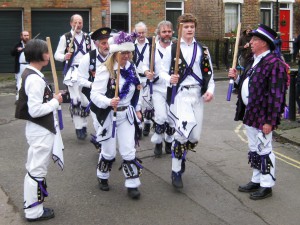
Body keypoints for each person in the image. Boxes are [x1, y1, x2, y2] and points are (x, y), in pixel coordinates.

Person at [228, 24, 288, 200]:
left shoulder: (275, 64)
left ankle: (267, 184)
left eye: (254, 39)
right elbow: (248, 86)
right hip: (250, 112)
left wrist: (270, 120)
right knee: (254, 148)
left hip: (263, 115)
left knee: (264, 149)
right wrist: (237, 78)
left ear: (264, 42)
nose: (251, 42)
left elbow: (277, 95)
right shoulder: (255, 60)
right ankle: (256, 179)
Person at [160, 13, 215, 188]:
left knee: (194, 136)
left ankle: (181, 155)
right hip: (181, 95)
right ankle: (176, 171)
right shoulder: (172, 48)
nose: (189, 29)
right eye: (186, 27)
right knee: (182, 133)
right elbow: (161, 71)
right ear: (180, 28)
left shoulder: (203, 49)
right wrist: (170, 79)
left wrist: (210, 91)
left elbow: (210, 75)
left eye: (192, 26)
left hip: (197, 95)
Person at [15, 39, 64, 221]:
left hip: (39, 129)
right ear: (39, 55)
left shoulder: (31, 74)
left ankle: (34, 208)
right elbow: (34, 110)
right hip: (40, 129)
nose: (49, 55)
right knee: (37, 170)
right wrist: (55, 102)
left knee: (35, 168)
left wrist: (53, 98)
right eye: (46, 52)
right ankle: (34, 212)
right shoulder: (34, 78)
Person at [90, 31, 143, 199]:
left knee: (129, 150)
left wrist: (138, 108)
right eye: (123, 52)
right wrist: (108, 101)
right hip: (109, 116)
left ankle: (132, 183)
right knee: (109, 152)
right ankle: (102, 176)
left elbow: (138, 89)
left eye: (129, 52)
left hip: (126, 114)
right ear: (115, 52)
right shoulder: (105, 69)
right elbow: (94, 95)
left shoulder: (132, 67)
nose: (126, 56)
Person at [54, 14, 95, 140]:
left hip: (86, 72)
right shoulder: (65, 37)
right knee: (75, 99)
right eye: (76, 22)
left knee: (85, 99)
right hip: (72, 71)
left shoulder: (88, 37)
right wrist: (64, 56)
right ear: (71, 23)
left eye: (80, 22)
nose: (78, 24)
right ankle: (79, 128)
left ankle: (84, 124)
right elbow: (57, 55)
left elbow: (94, 53)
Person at [77, 27, 111, 151]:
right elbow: (80, 79)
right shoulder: (87, 58)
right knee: (98, 121)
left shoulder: (114, 56)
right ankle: (103, 147)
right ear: (96, 44)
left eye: (108, 42)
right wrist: (93, 85)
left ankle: (106, 145)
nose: (106, 46)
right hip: (94, 95)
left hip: (112, 95)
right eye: (103, 43)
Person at [145, 20, 175, 156]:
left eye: (169, 31)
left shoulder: (176, 48)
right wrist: (147, 73)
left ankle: (169, 142)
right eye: (164, 31)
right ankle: (157, 142)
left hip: (172, 88)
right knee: (161, 116)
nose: (167, 34)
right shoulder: (152, 48)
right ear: (159, 33)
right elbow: (144, 65)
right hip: (157, 87)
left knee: (171, 118)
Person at [133, 22, 152, 137]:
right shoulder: (131, 44)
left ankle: (148, 124)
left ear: (146, 32)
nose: (141, 35)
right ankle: (138, 127)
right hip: (136, 77)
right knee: (137, 103)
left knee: (148, 103)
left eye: (143, 32)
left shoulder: (152, 44)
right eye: (138, 33)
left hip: (149, 77)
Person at [10, 31, 30, 102]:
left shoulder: (31, 44)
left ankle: (28, 98)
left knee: (29, 81)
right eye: (25, 35)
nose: (26, 37)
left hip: (29, 65)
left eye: (27, 35)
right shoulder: (18, 44)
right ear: (21, 36)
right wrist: (17, 50)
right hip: (20, 66)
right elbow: (12, 53)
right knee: (19, 82)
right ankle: (18, 99)